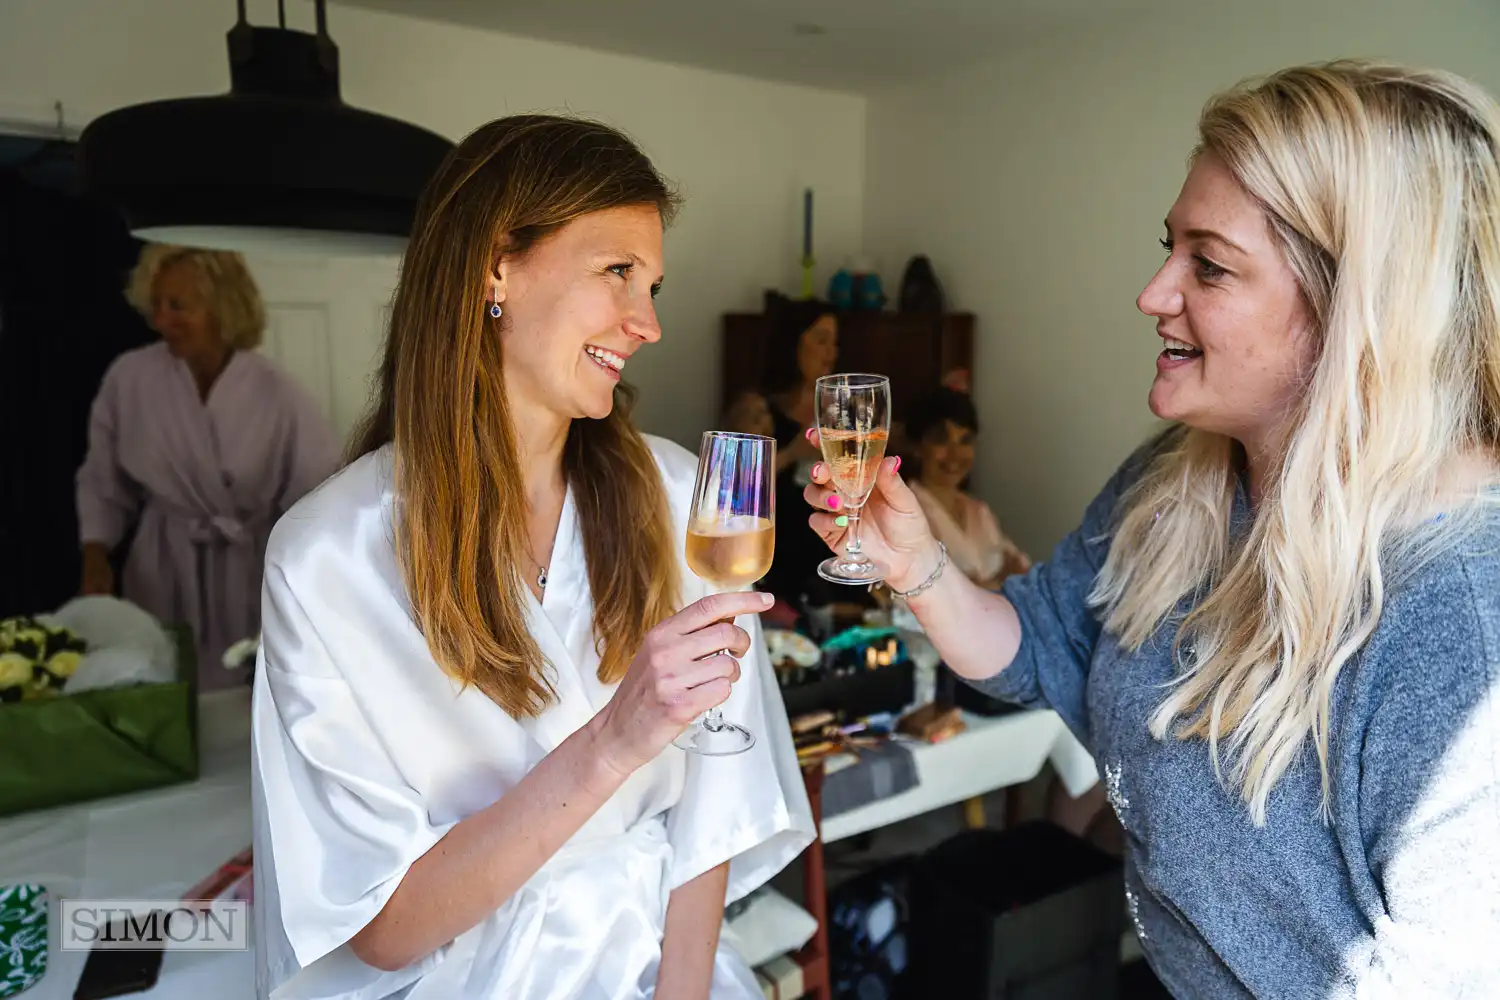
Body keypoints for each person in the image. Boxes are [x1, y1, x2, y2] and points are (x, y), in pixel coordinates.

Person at [804, 61, 1500, 996]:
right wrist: (921, 566)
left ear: (1356, 313)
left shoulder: (1462, 616)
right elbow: (1040, 645)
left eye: (1208, 265)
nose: (1153, 292)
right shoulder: (1175, 480)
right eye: (1169, 247)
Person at [251, 115, 814, 1000]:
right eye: (618, 272)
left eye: (654, 283)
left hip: (662, 966)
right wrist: (613, 744)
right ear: (495, 265)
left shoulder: (680, 497)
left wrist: (681, 993)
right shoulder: (327, 558)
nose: (649, 323)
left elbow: (716, 798)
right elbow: (382, 930)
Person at [75, 245, 337, 689]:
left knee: (245, 697)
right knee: (161, 684)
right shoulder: (129, 380)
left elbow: (317, 499)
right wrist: (95, 553)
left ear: (222, 306)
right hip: (160, 566)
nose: (162, 321)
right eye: (155, 305)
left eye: (178, 306)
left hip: (247, 572)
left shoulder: (278, 394)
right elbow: (103, 478)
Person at [905, 387, 1030, 590]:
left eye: (965, 441)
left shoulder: (980, 512)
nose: (955, 454)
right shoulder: (905, 511)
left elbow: (1024, 575)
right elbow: (932, 591)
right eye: (941, 440)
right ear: (918, 447)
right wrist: (998, 582)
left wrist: (980, 584)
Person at [759, 299, 841, 604]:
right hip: (779, 567)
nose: (831, 352)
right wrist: (792, 452)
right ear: (793, 344)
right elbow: (734, 490)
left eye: (835, 343)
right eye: (821, 340)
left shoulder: (839, 413)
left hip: (834, 555)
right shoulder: (759, 410)